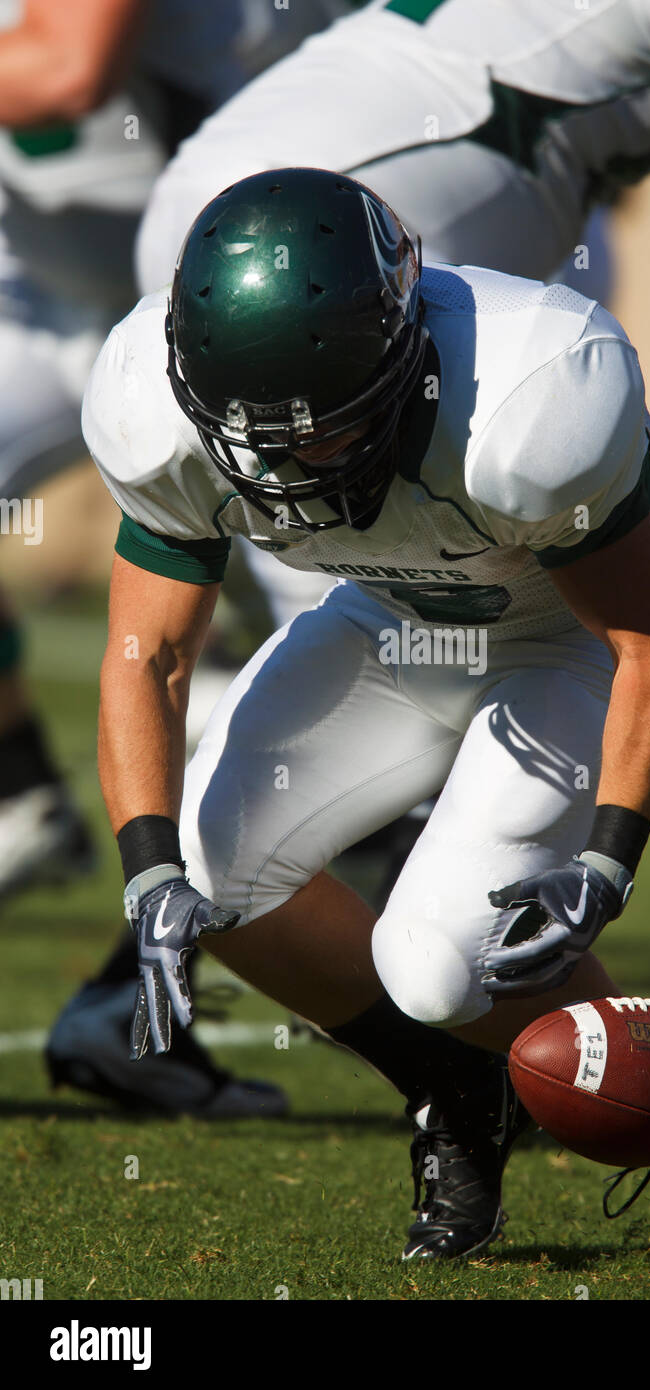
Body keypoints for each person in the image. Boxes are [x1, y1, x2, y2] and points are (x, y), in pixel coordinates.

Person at [83, 167, 650, 1264]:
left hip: (571, 638)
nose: (281, 466)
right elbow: (149, 652)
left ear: (403, 362)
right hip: (395, 613)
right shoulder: (153, 404)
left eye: (319, 432)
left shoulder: (526, 395)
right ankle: (455, 1091)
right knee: (211, 875)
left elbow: (649, 644)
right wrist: (145, 871)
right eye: (249, 433)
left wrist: (605, 862)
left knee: (439, 964)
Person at [134, 0, 650, 991]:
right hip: (338, 258)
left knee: (522, 580)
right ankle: (438, 984)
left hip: (251, 230)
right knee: (463, 588)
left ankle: (451, 963)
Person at [0, 0, 351, 1114]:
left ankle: (133, 1003)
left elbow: (65, 67)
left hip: (228, 318)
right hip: (50, 287)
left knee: (375, 679)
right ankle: (19, 796)